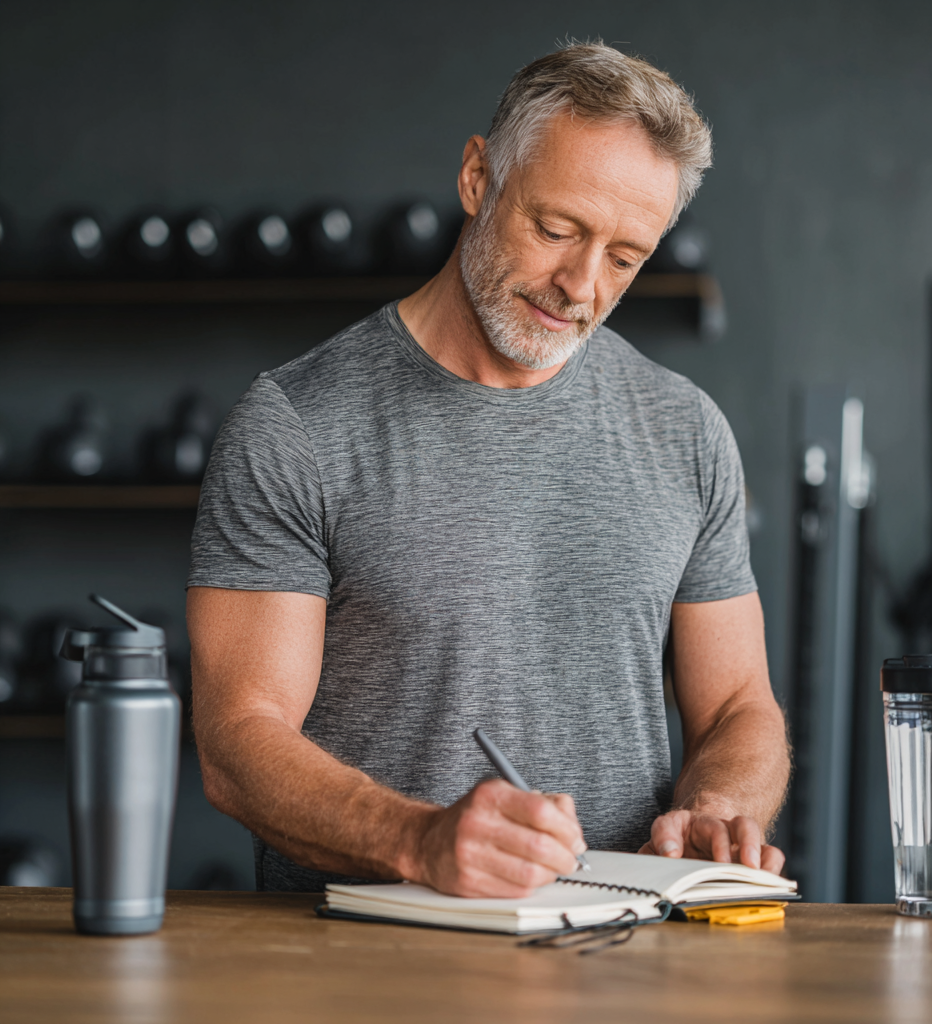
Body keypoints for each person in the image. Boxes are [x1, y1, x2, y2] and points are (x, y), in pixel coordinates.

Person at [187, 42, 791, 897]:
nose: (579, 285)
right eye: (556, 229)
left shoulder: (684, 430)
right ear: (478, 178)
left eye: (624, 258)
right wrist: (417, 842)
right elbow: (237, 741)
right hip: (356, 968)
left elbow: (738, 705)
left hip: (616, 953)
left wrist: (719, 806)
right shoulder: (297, 427)